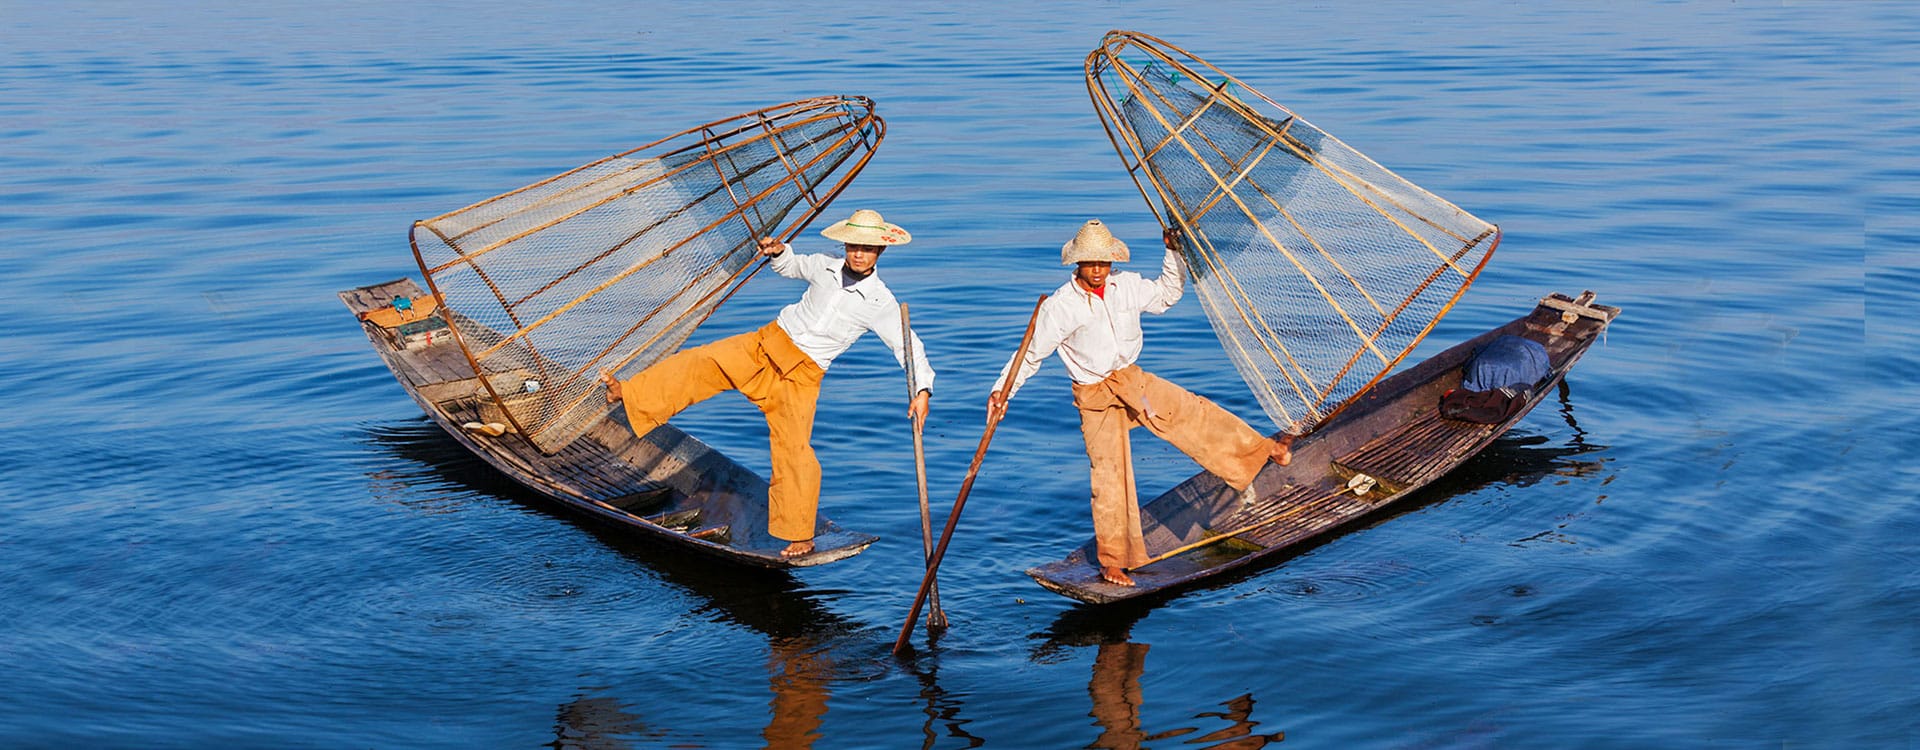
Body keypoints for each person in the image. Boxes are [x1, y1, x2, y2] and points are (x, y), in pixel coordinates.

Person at [604, 209, 935, 559]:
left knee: (794, 454)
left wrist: (922, 391)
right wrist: (779, 252)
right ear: (845, 243)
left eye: (866, 248)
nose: (858, 253)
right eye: (854, 245)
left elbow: (908, 345)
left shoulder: (880, 302)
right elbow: (793, 265)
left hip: (801, 377)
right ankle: (630, 393)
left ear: (879, 252)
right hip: (766, 344)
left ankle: (800, 535)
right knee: (699, 361)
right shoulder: (825, 264)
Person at [988, 219, 1291, 586]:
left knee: (1192, 413)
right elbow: (1030, 356)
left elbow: (1166, 295)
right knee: (1109, 474)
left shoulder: (1126, 286)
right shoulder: (1060, 307)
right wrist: (1002, 392)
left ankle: (1263, 450)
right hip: (1095, 396)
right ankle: (1113, 561)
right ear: (1078, 264)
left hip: (1132, 380)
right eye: (1091, 263)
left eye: (1104, 263)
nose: (1098, 271)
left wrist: (1173, 252)